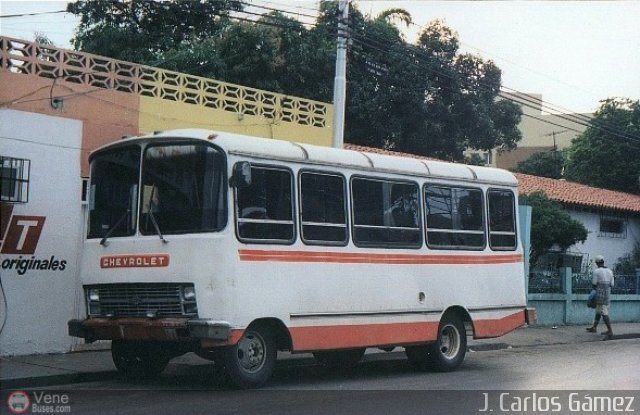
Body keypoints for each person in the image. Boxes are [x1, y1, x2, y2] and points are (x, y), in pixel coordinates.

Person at [586, 255, 615, 339]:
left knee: (603, 312)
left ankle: (610, 330)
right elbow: (612, 284)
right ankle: (594, 327)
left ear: (597, 263)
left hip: (599, 293)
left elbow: (594, 284)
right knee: (598, 311)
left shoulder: (597, 271)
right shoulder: (610, 271)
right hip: (607, 294)